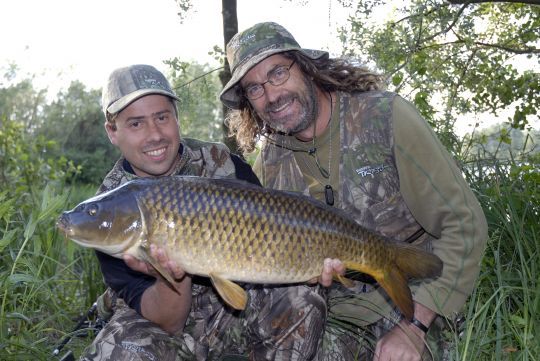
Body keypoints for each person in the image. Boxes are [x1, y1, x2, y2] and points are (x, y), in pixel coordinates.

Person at [221, 22, 488, 361]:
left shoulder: (385, 118)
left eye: (277, 73)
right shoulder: (269, 166)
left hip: (419, 303)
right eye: (255, 89)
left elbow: (465, 225)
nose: (272, 95)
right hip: (336, 315)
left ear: (306, 68)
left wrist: (412, 329)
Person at [80, 64, 330, 361]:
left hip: (235, 309)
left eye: (162, 117)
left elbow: (274, 236)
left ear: (176, 117)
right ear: (113, 131)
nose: (155, 135)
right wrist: (170, 274)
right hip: (162, 323)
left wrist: (307, 263)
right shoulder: (108, 211)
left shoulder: (223, 164)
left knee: (303, 299)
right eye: (136, 124)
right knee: (116, 352)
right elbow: (167, 322)